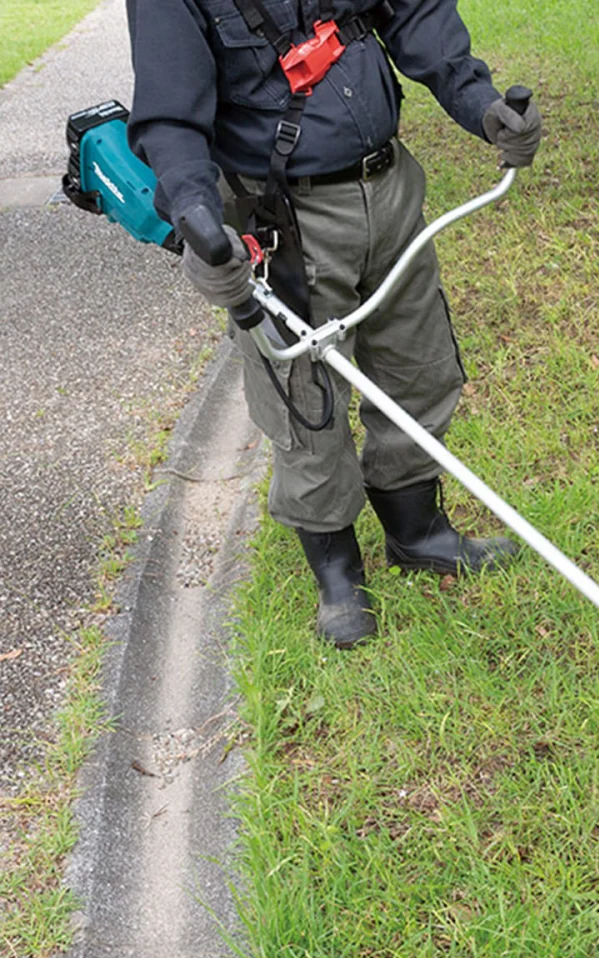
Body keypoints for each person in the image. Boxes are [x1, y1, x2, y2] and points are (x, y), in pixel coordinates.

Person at [125, 0, 542, 648]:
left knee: (418, 364)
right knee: (304, 405)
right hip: (283, 215)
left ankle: (418, 533)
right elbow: (171, 118)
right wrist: (196, 218)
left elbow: (416, 15)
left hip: (391, 187)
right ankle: (338, 576)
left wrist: (481, 104)